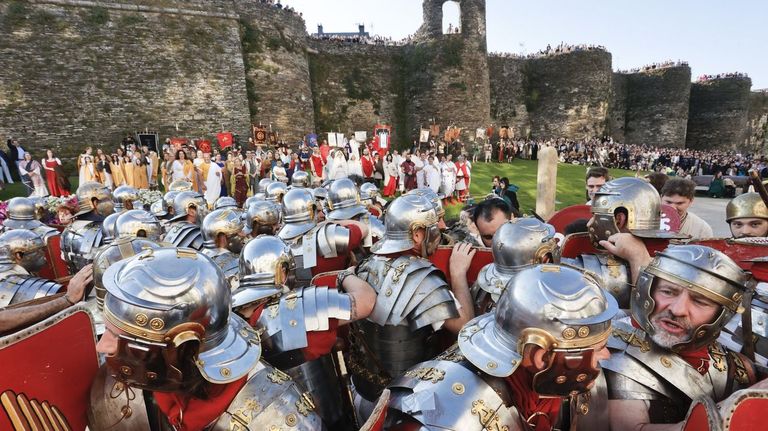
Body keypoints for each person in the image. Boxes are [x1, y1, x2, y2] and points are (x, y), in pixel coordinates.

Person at [89, 247, 322, 430]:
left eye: (117, 336)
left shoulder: (278, 416)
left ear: (177, 350)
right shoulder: (145, 384)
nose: (102, 346)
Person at [386, 264, 617, 431]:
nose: (606, 355)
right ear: (541, 357)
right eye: (598, 348)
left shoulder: (553, 383)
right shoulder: (443, 414)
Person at [591, 239, 758, 430]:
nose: (678, 310)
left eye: (700, 302)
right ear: (648, 290)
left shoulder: (735, 367)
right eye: (668, 292)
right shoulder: (610, 351)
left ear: (721, 315)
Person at [348, 194, 474, 419]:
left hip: (364, 393)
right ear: (417, 234)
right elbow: (466, 328)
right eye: (433, 226)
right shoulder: (422, 279)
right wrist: (458, 274)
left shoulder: (365, 266)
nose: (440, 230)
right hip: (408, 403)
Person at [234, 235, 376, 427]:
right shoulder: (294, 309)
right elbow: (366, 302)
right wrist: (345, 276)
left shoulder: (234, 317)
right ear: (283, 271)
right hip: (320, 419)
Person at [0, 230, 94, 335]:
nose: (43, 254)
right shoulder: (17, 284)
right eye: (39, 251)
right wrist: (67, 300)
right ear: (19, 255)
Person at [278, 187, 367, 286]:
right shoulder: (329, 235)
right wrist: (331, 222)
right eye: (318, 210)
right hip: (335, 293)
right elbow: (363, 228)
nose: (322, 214)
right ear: (312, 210)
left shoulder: (278, 242)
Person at [472, 218, 559, 314]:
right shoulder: (561, 289)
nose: (554, 243)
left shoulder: (485, 282)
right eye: (551, 241)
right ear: (544, 258)